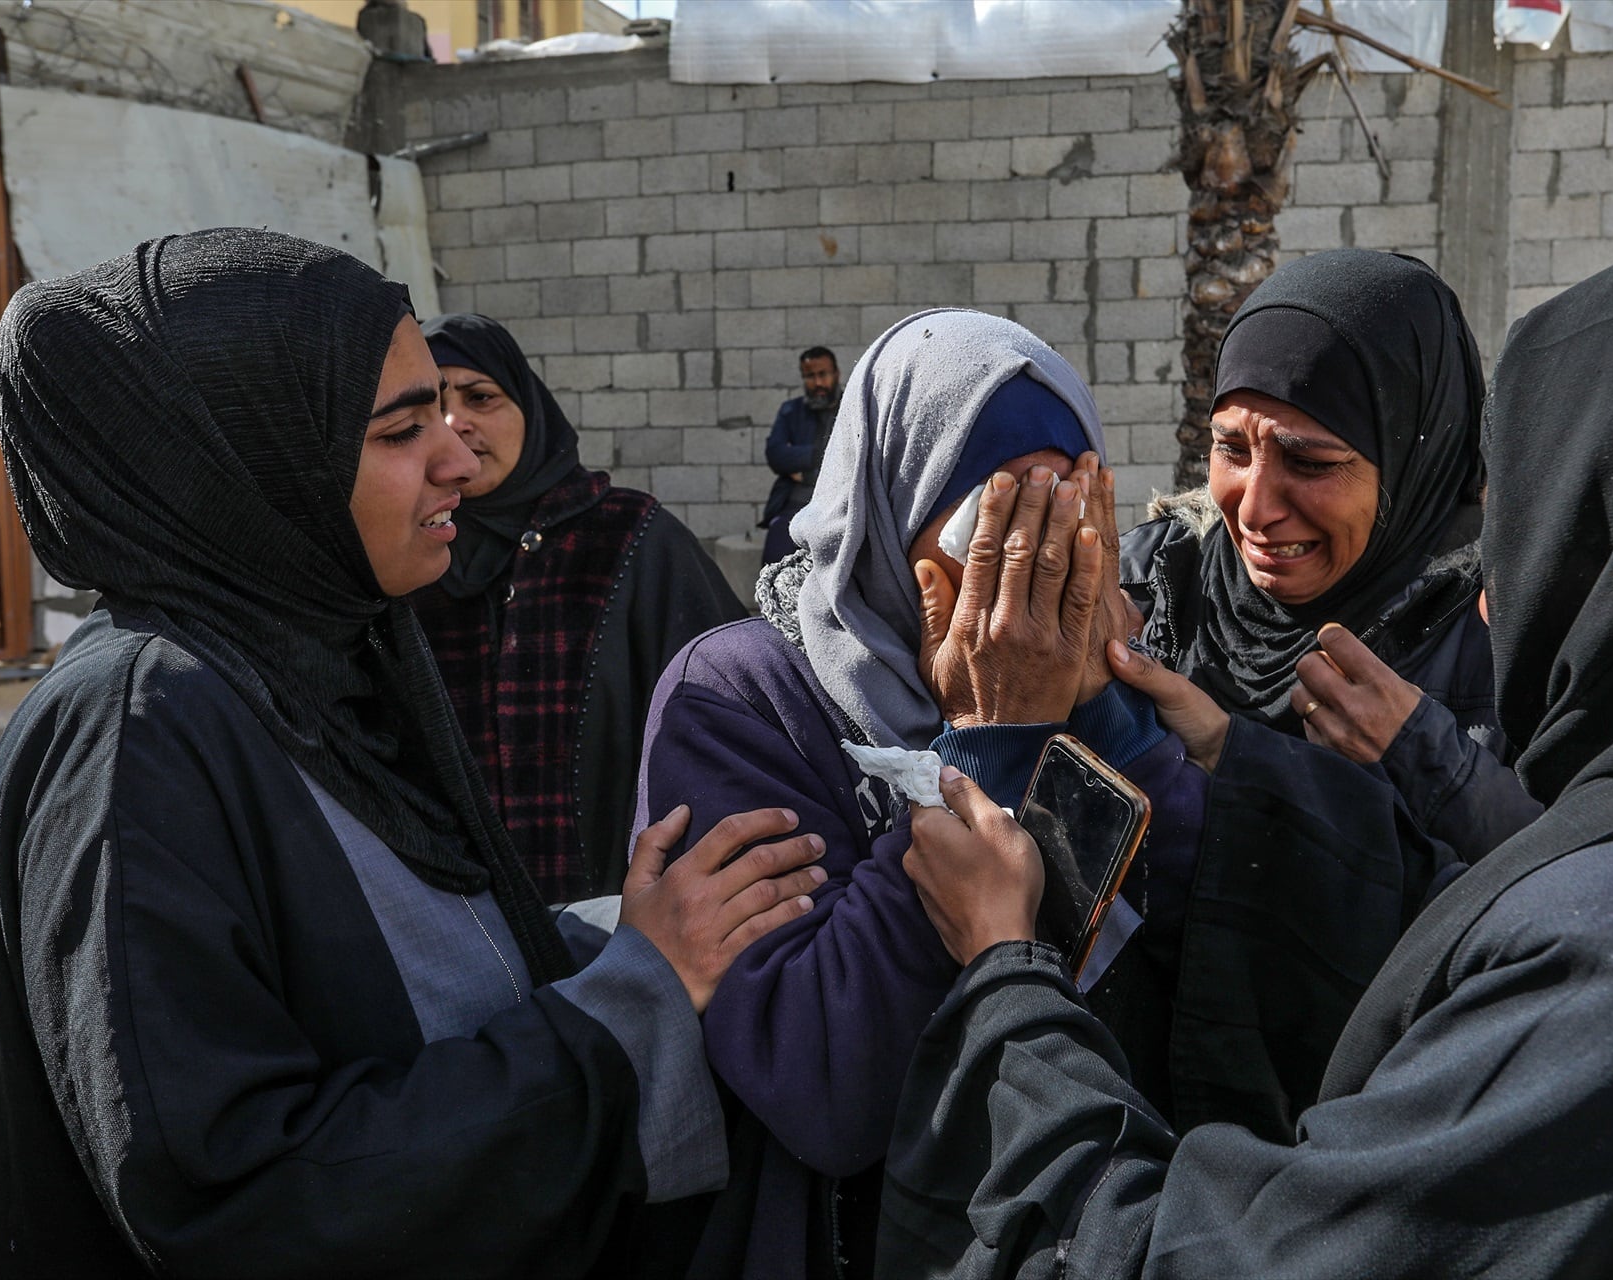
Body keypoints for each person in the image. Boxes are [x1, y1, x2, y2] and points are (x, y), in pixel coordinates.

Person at [881, 181, 1613, 1277]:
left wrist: (1010, 977)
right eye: (1229, 449)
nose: (1254, 507)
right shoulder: (1156, 598)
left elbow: (1219, 1252)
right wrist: (1194, 752)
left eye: (1565, 527)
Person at [0, 228, 828, 1278]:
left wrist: (625, 936)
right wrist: (630, 995)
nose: (459, 459)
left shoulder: (312, 661)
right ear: (257, 459)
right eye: (400, 429)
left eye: (455, 417)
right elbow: (246, 1199)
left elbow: (403, 961)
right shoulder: (136, 732)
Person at [634, 308, 1212, 1278]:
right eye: (996, 528)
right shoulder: (744, 696)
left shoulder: (1103, 673)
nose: (1034, 572)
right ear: (889, 513)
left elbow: (1212, 942)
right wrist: (988, 743)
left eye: (1063, 520)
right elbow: (819, 1079)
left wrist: (1114, 726)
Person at [1120, 249, 1539, 865]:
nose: (1255, 510)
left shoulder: (1505, 635)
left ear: (1412, 463)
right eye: (1232, 450)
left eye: (1310, 463)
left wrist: (1421, 757)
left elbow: (1576, 881)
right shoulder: (1149, 583)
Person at [410, 312, 743, 905]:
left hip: (632, 917)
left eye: (480, 397)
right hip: (464, 924)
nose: (455, 423)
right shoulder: (410, 554)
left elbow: (728, 719)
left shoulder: (629, 537)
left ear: (530, 410)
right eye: (429, 409)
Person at [759, 344, 840, 566]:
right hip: (794, 504)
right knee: (775, 559)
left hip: (837, 503)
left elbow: (852, 458)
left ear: (836, 374)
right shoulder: (791, 411)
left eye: (823, 374)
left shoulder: (849, 408)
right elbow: (775, 455)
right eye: (810, 376)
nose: (818, 383)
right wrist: (821, 453)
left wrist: (802, 470)